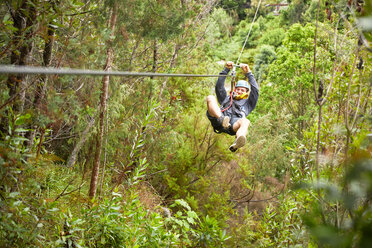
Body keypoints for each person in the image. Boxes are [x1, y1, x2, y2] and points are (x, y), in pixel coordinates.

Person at [206, 61, 259, 152]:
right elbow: (219, 87)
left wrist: (248, 73)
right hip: (219, 120)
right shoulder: (226, 98)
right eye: (238, 89)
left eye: (243, 90)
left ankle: (237, 141)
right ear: (234, 89)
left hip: (233, 125)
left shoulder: (248, 103)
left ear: (246, 92)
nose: (240, 91)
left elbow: (255, 90)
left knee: (245, 121)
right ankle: (222, 119)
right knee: (210, 98)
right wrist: (226, 69)